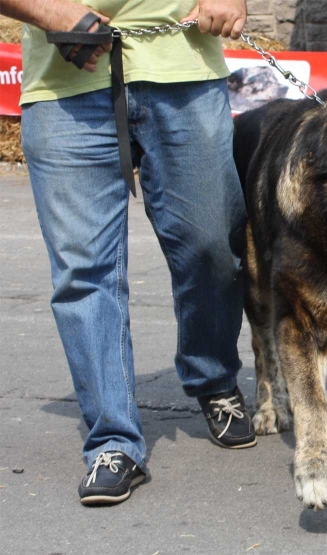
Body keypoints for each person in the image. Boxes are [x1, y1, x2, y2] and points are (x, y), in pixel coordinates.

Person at [2, 0, 256, 506]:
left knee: (212, 244)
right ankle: (113, 441)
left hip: (183, 68)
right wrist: (49, 12)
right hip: (66, 76)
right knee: (83, 271)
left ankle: (211, 375)